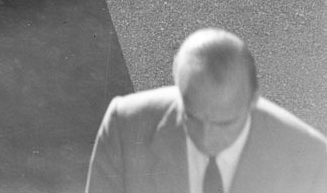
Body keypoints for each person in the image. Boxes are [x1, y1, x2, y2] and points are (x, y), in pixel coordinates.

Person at [85, 27, 327, 193]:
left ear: (254, 100)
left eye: (225, 123)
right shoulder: (124, 126)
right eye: (192, 117)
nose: (206, 139)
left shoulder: (311, 159)